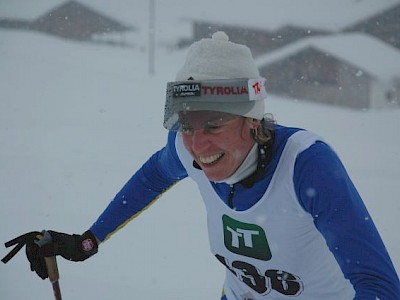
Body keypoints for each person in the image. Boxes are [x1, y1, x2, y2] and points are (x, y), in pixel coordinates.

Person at [3, 31, 400, 299]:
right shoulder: (186, 149)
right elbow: (152, 176)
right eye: (187, 125)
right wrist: (87, 241)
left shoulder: (307, 166)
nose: (197, 144)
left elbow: (379, 286)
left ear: (252, 122)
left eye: (214, 124)